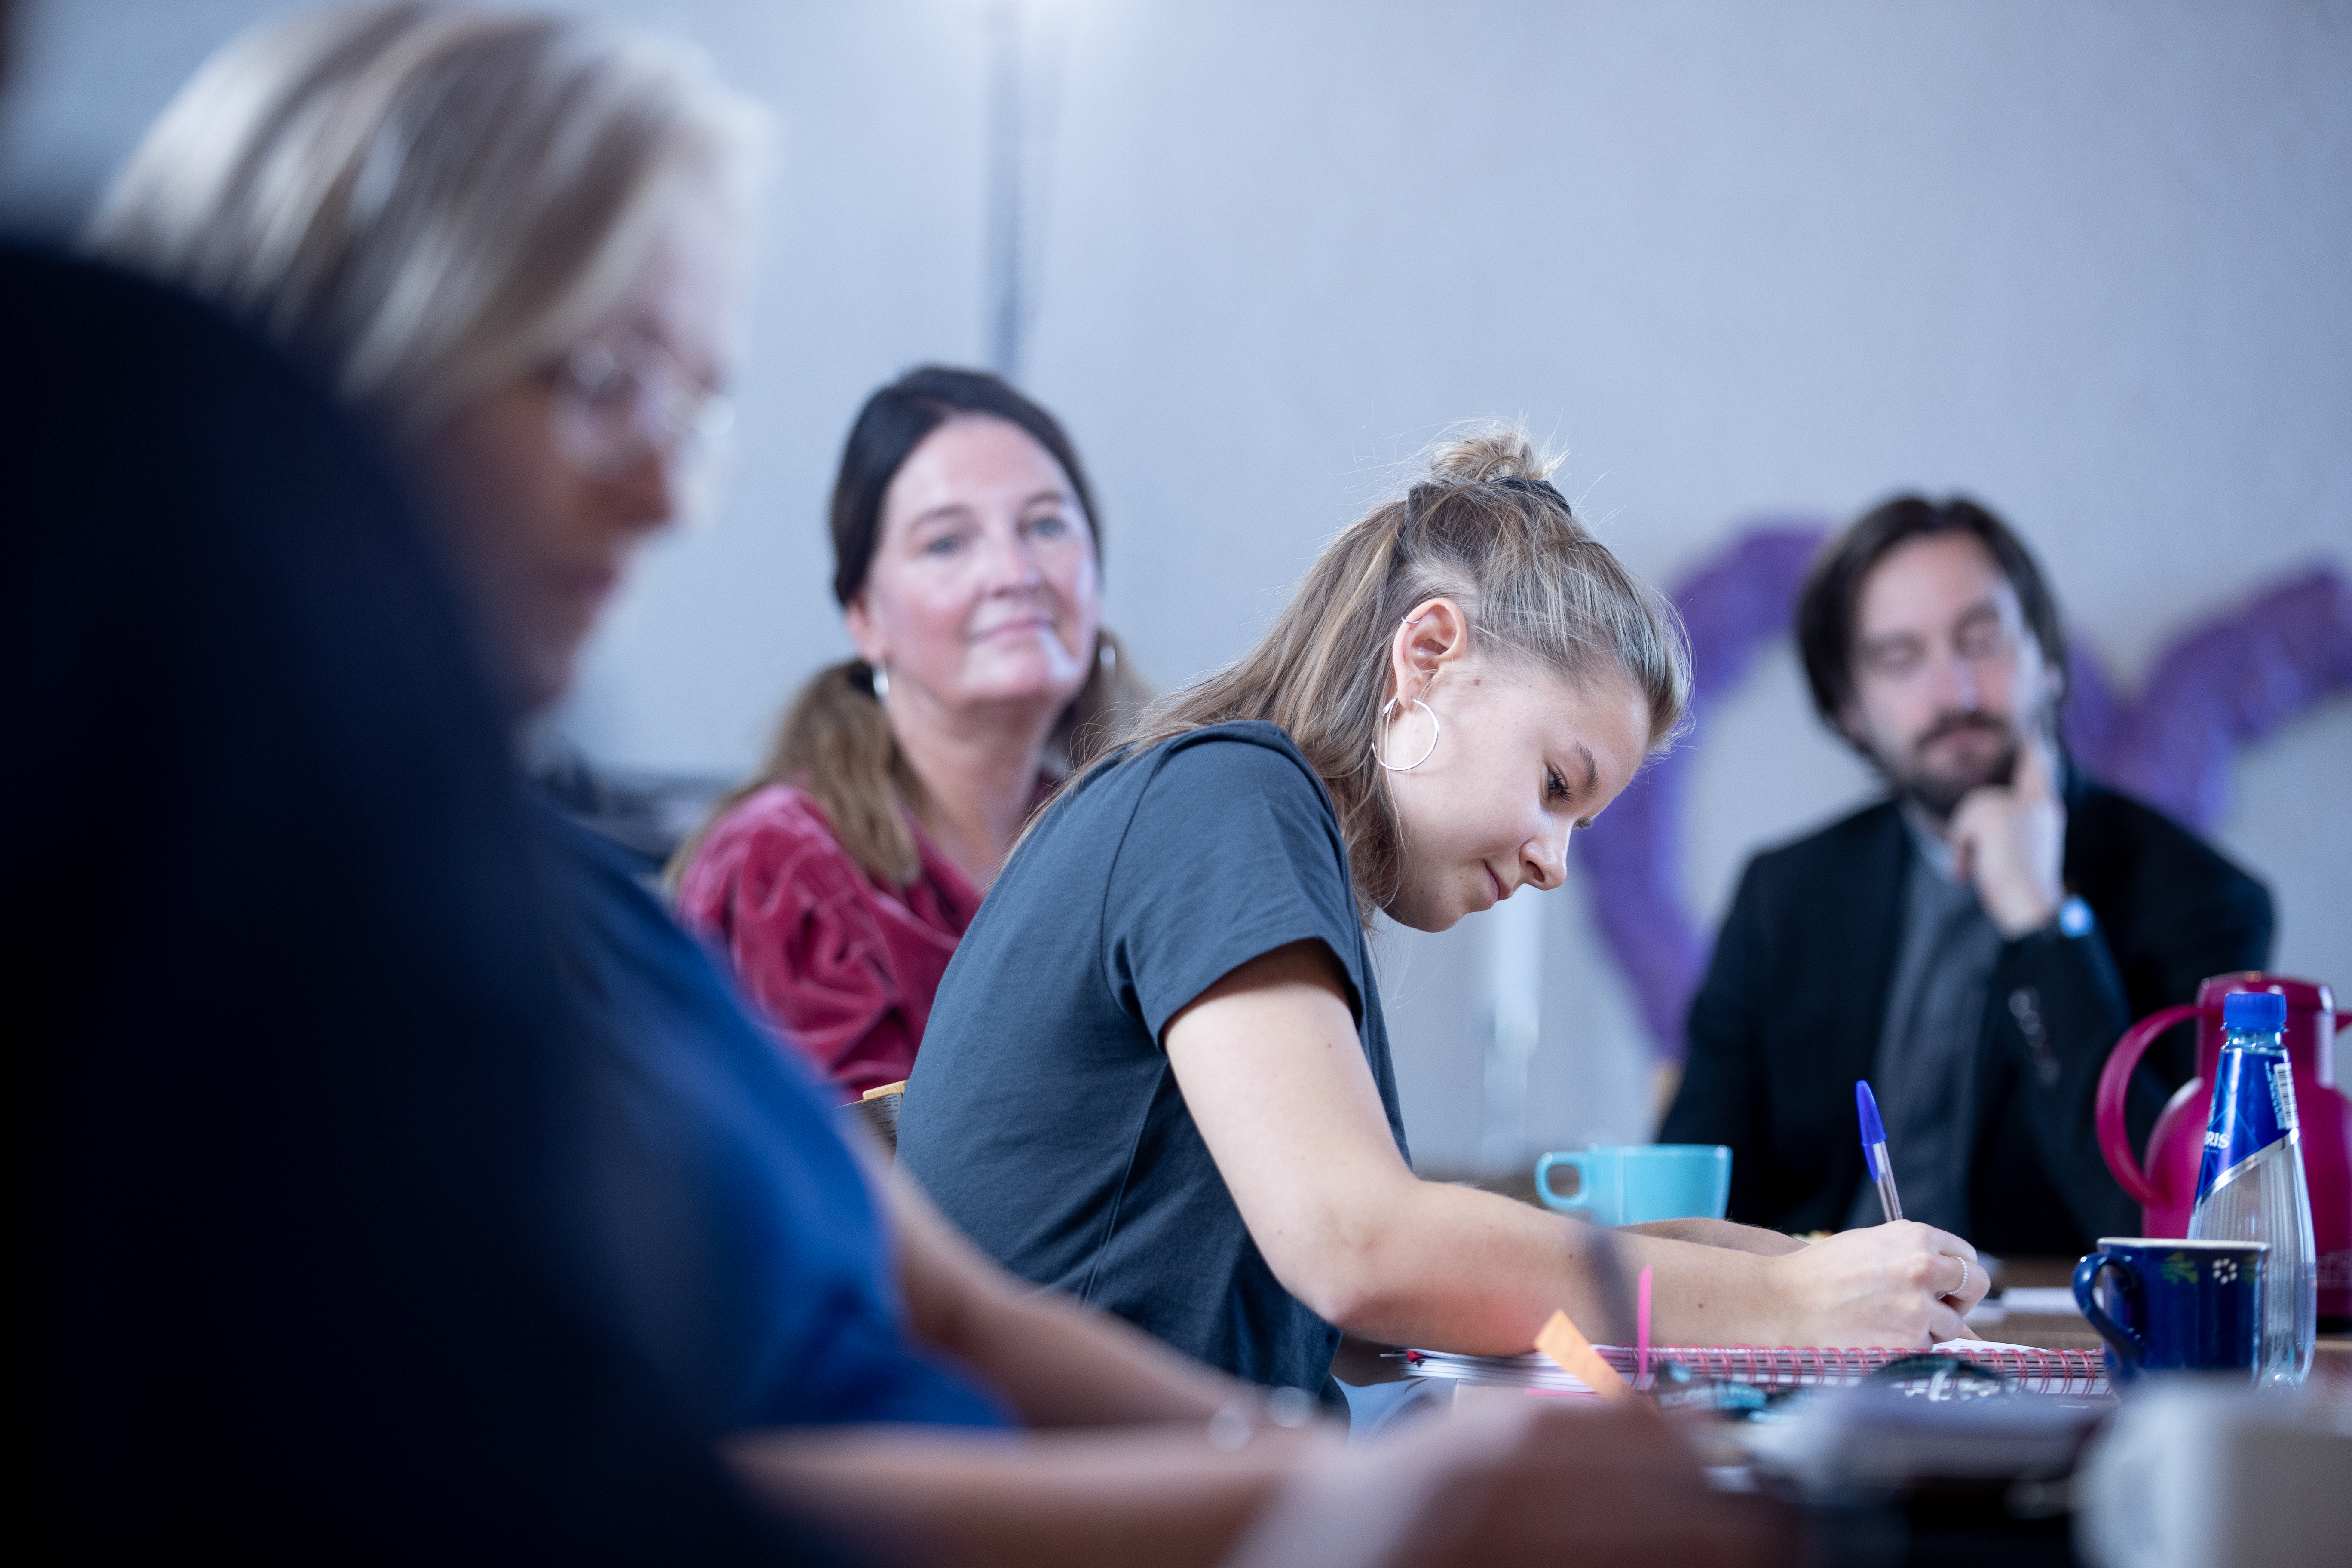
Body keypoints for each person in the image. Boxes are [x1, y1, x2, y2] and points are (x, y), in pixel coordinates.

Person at [74, 7, 1778, 1563]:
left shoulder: (591, 905)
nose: (672, 491)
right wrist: (1322, 1499)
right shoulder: (1195, 806)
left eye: (698, 405)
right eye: (602, 380)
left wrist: (1319, 1478)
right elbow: (570, 1483)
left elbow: (954, 1314)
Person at [899, 437, 1991, 1402]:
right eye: (1558, 785)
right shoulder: (1229, 800)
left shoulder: (1231, 813)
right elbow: (1361, 1250)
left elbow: (1365, 1293)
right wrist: (1787, 1306)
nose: (1554, 864)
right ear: (1426, 656)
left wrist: (1765, 1270)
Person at [1661, 496, 2273, 1255]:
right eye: (1900, 659)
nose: (1953, 693)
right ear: (1849, 711)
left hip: (2059, 1349)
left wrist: (2043, 925)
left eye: (1981, 641)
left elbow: (2179, 1228)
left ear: (2048, 664)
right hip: (1815, 1342)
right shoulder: (1783, 897)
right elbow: (1694, 1207)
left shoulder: (2201, 900)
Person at [671, 368, 1142, 1097]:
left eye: (1047, 525)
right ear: (866, 616)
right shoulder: (781, 864)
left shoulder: (1122, 841)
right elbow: (850, 1191)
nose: (1015, 573)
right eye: (948, 543)